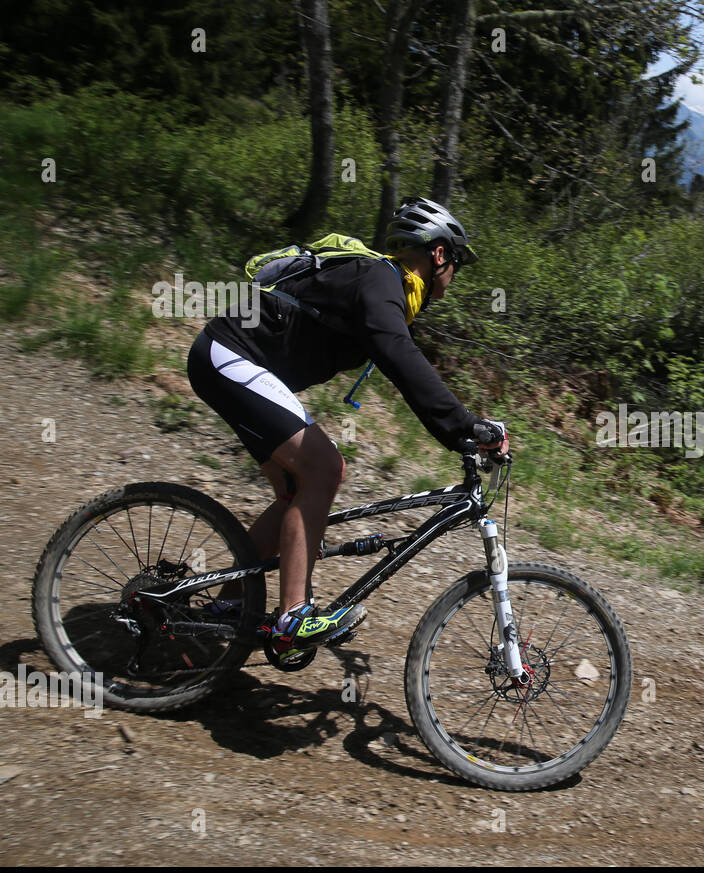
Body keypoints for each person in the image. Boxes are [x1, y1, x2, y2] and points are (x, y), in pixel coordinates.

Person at [186, 197, 508, 664]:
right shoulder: (382, 280)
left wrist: (460, 431)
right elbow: (400, 358)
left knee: (300, 487)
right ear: (439, 254)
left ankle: (233, 601)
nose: (455, 273)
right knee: (323, 468)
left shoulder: (386, 290)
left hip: (231, 362)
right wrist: (465, 427)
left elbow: (404, 364)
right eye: (455, 260)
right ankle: (292, 615)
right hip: (228, 355)